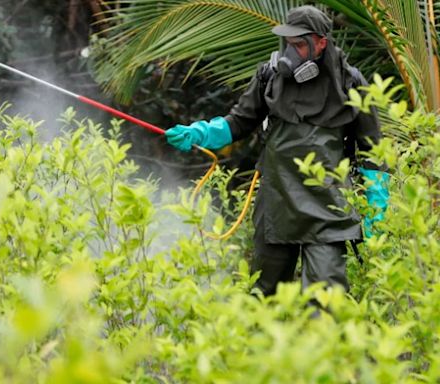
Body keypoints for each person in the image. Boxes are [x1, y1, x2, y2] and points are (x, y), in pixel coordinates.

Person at [165, 6, 389, 296]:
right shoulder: (269, 77)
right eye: (288, 44)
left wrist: (377, 210)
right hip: (277, 204)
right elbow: (239, 122)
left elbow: (373, 150)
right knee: (263, 297)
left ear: (321, 42)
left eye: (299, 45)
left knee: (326, 299)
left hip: (329, 209)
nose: (291, 52)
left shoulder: (351, 83)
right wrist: (201, 133)